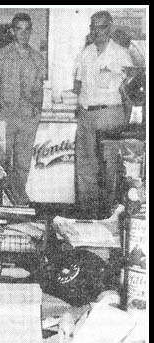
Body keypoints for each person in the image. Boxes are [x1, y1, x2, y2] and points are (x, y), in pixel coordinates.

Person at [73, 10, 134, 217]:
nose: (97, 31)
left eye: (102, 27)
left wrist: (126, 120)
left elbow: (130, 91)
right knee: (85, 168)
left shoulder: (121, 54)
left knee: (110, 169)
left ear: (110, 28)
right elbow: (78, 83)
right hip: (86, 116)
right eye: (93, 27)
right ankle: (88, 214)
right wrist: (79, 106)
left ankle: (109, 215)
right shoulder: (86, 52)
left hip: (110, 115)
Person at [0, 12, 46, 205]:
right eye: (19, 29)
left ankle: (18, 201)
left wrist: (36, 112)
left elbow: (39, 90)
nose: (23, 33)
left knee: (23, 163)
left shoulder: (37, 58)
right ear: (12, 31)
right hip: (6, 117)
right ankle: (3, 200)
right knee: (2, 162)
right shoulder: (0, 56)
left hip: (28, 118)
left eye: (27, 29)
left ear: (30, 31)